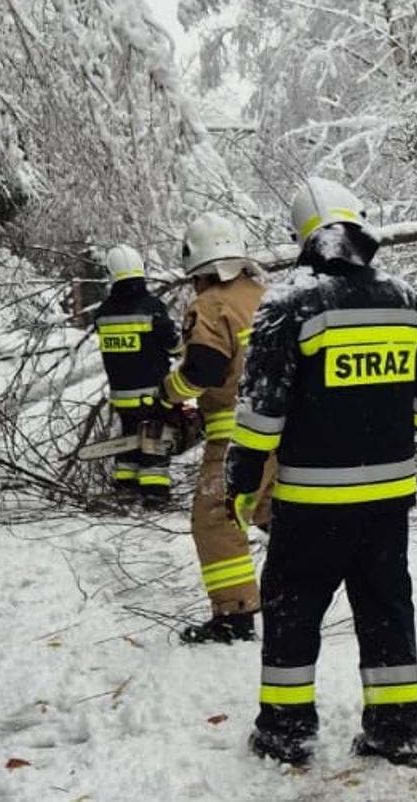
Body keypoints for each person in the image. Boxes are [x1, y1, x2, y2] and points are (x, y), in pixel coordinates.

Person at [226, 178, 417, 765]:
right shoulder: (407, 300)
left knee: (294, 610)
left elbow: (263, 410)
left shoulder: (289, 304)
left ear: (303, 234)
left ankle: (285, 730)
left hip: (313, 501)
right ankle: (396, 730)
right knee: (386, 608)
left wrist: (242, 476)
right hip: (390, 499)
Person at [159, 213, 275, 645]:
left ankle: (234, 617)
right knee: (267, 510)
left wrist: (169, 392)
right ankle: (299, 588)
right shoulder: (266, 296)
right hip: (287, 433)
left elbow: (203, 368)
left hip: (237, 436)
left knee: (216, 519)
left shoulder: (210, 305)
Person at [92, 245, 179, 505]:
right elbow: (172, 344)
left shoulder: (103, 313)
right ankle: (154, 494)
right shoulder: (151, 308)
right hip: (151, 392)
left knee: (129, 439)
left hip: (121, 395)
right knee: (154, 440)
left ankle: (126, 487)